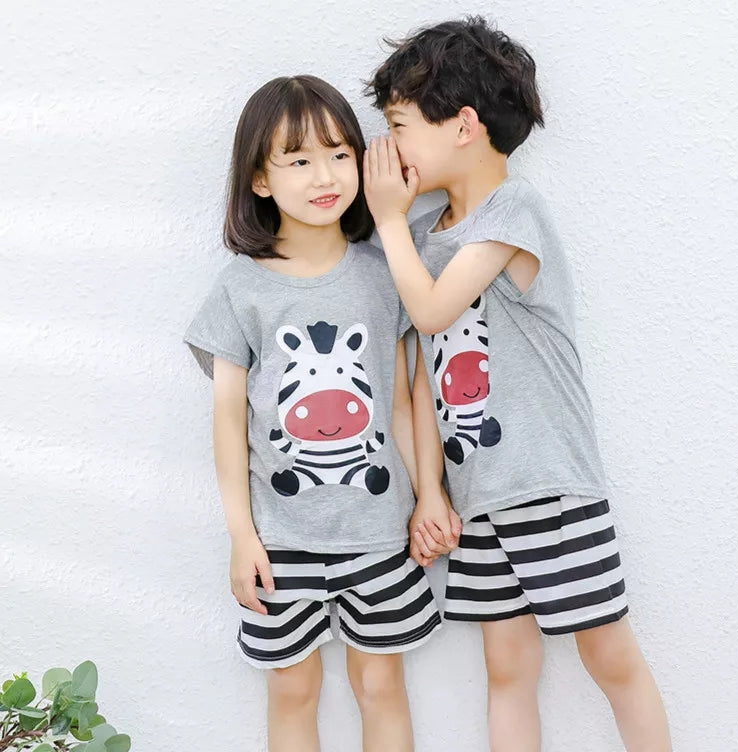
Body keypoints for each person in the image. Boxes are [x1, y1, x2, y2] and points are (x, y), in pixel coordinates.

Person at [363, 17, 672, 752]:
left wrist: (387, 220)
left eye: (399, 126)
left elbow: (432, 311)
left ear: (463, 126)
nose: (389, 148)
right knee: (506, 667)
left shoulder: (512, 211)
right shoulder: (426, 232)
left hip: (546, 483)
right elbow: (421, 379)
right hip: (478, 496)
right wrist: (431, 492)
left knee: (609, 656)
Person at [184, 74, 452, 752]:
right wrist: (242, 536)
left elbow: (404, 399)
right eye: (298, 160)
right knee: (293, 691)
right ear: (260, 179)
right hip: (281, 540)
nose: (324, 176)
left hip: (379, 533)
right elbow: (228, 425)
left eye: (338, 154)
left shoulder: (385, 272)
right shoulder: (241, 289)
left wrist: (429, 495)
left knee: (381, 685)